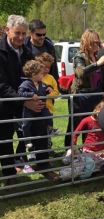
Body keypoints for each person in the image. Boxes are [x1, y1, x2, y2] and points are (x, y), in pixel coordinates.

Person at [0, 15, 59, 185]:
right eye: (17, 33)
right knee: (5, 138)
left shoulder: (26, 51)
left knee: (40, 131)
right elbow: (2, 85)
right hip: (6, 102)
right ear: (6, 30)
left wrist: (37, 93)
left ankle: (42, 165)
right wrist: (23, 100)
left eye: (23, 34)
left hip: (28, 99)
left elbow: (33, 76)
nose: (20, 37)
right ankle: (9, 174)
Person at [64, 29, 104, 148]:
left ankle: (87, 149)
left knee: (92, 123)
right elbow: (80, 73)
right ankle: (69, 150)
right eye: (94, 42)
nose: (97, 45)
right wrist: (97, 64)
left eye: (98, 42)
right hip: (81, 96)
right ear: (86, 42)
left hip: (96, 95)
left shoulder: (97, 56)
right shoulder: (79, 56)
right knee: (75, 124)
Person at [18, 60, 56, 148]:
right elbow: (20, 93)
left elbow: (43, 90)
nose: (43, 75)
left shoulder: (41, 83)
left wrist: (49, 89)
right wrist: (30, 95)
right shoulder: (25, 84)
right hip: (29, 109)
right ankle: (27, 140)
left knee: (49, 116)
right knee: (26, 124)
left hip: (42, 107)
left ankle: (50, 128)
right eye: (41, 74)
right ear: (34, 75)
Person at [72, 101, 104, 170]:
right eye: (101, 112)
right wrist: (74, 148)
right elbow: (75, 133)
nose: (102, 115)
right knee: (90, 164)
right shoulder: (86, 120)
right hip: (89, 150)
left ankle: (95, 166)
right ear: (96, 109)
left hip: (100, 151)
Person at [35, 52, 60, 157]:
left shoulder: (51, 78)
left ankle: (48, 149)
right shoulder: (35, 77)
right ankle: (34, 153)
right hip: (36, 111)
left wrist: (49, 93)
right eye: (44, 67)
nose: (46, 70)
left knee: (48, 132)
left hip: (49, 111)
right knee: (37, 134)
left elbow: (56, 93)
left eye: (48, 67)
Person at [24, 19, 59, 84]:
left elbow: (54, 69)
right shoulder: (24, 47)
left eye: (44, 34)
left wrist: (56, 85)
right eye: (39, 35)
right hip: (30, 86)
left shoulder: (50, 47)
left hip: (49, 86)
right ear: (31, 33)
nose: (42, 37)